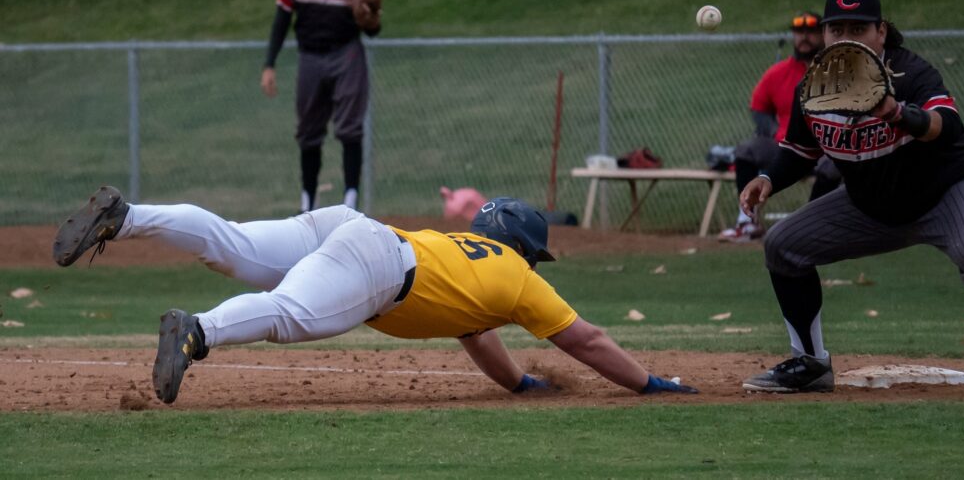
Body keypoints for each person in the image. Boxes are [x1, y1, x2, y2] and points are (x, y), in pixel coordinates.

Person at [52, 187, 699, 404]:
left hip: (354, 227)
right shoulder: (520, 280)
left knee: (234, 244)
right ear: (524, 247)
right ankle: (197, 332)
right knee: (291, 315)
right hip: (377, 265)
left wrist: (520, 384)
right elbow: (586, 340)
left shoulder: (466, 261)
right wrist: (650, 384)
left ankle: (128, 217)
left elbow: (477, 337)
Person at [738, 0, 964, 393]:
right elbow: (801, 150)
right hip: (871, 207)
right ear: (824, 34)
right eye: (836, 29)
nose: (845, 38)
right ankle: (811, 365)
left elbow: (946, 125)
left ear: (881, 32)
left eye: (857, 29)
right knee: (782, 245)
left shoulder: (909, 72)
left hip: (948, 192)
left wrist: (897, 113)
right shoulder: (813, 85)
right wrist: (767, 178)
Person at [260, 0, 381, 213]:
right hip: (310, 57)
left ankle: (350, 201)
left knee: (350, 128)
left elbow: (373, 30)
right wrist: (269, 64)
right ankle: (307, 203)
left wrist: (370, 19)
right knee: (309, 131)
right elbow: (281, 21)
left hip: (347, 54)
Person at [718, 11, 841, 242]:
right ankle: (747, 223)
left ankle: (811, 227)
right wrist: (773, 131)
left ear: (824, 34)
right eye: (799, 32)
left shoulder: (837, 71)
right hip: (785, 146)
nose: (804, 37)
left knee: (833, 164)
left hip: (826, 148)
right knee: (746, 150)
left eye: (811, 31)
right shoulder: (778, 73)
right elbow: (758, 107)